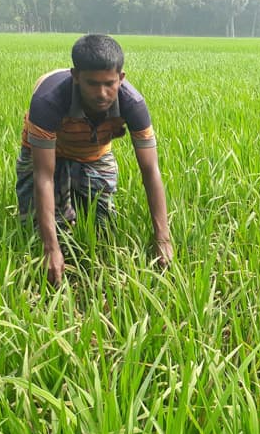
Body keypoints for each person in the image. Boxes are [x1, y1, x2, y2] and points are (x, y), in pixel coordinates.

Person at [16, 34, 173, 285]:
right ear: (75, 76)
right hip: (49, 151)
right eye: (92, 83)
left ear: (121, 78)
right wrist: (51, 249)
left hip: (94, 152)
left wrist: (163, 239)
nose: (102, 93)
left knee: (101, 226)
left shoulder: (133, 104)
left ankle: (75, 197)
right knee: (37, 230)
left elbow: (150, 170)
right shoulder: (48, 102)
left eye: (109, 83)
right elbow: (43, 176)